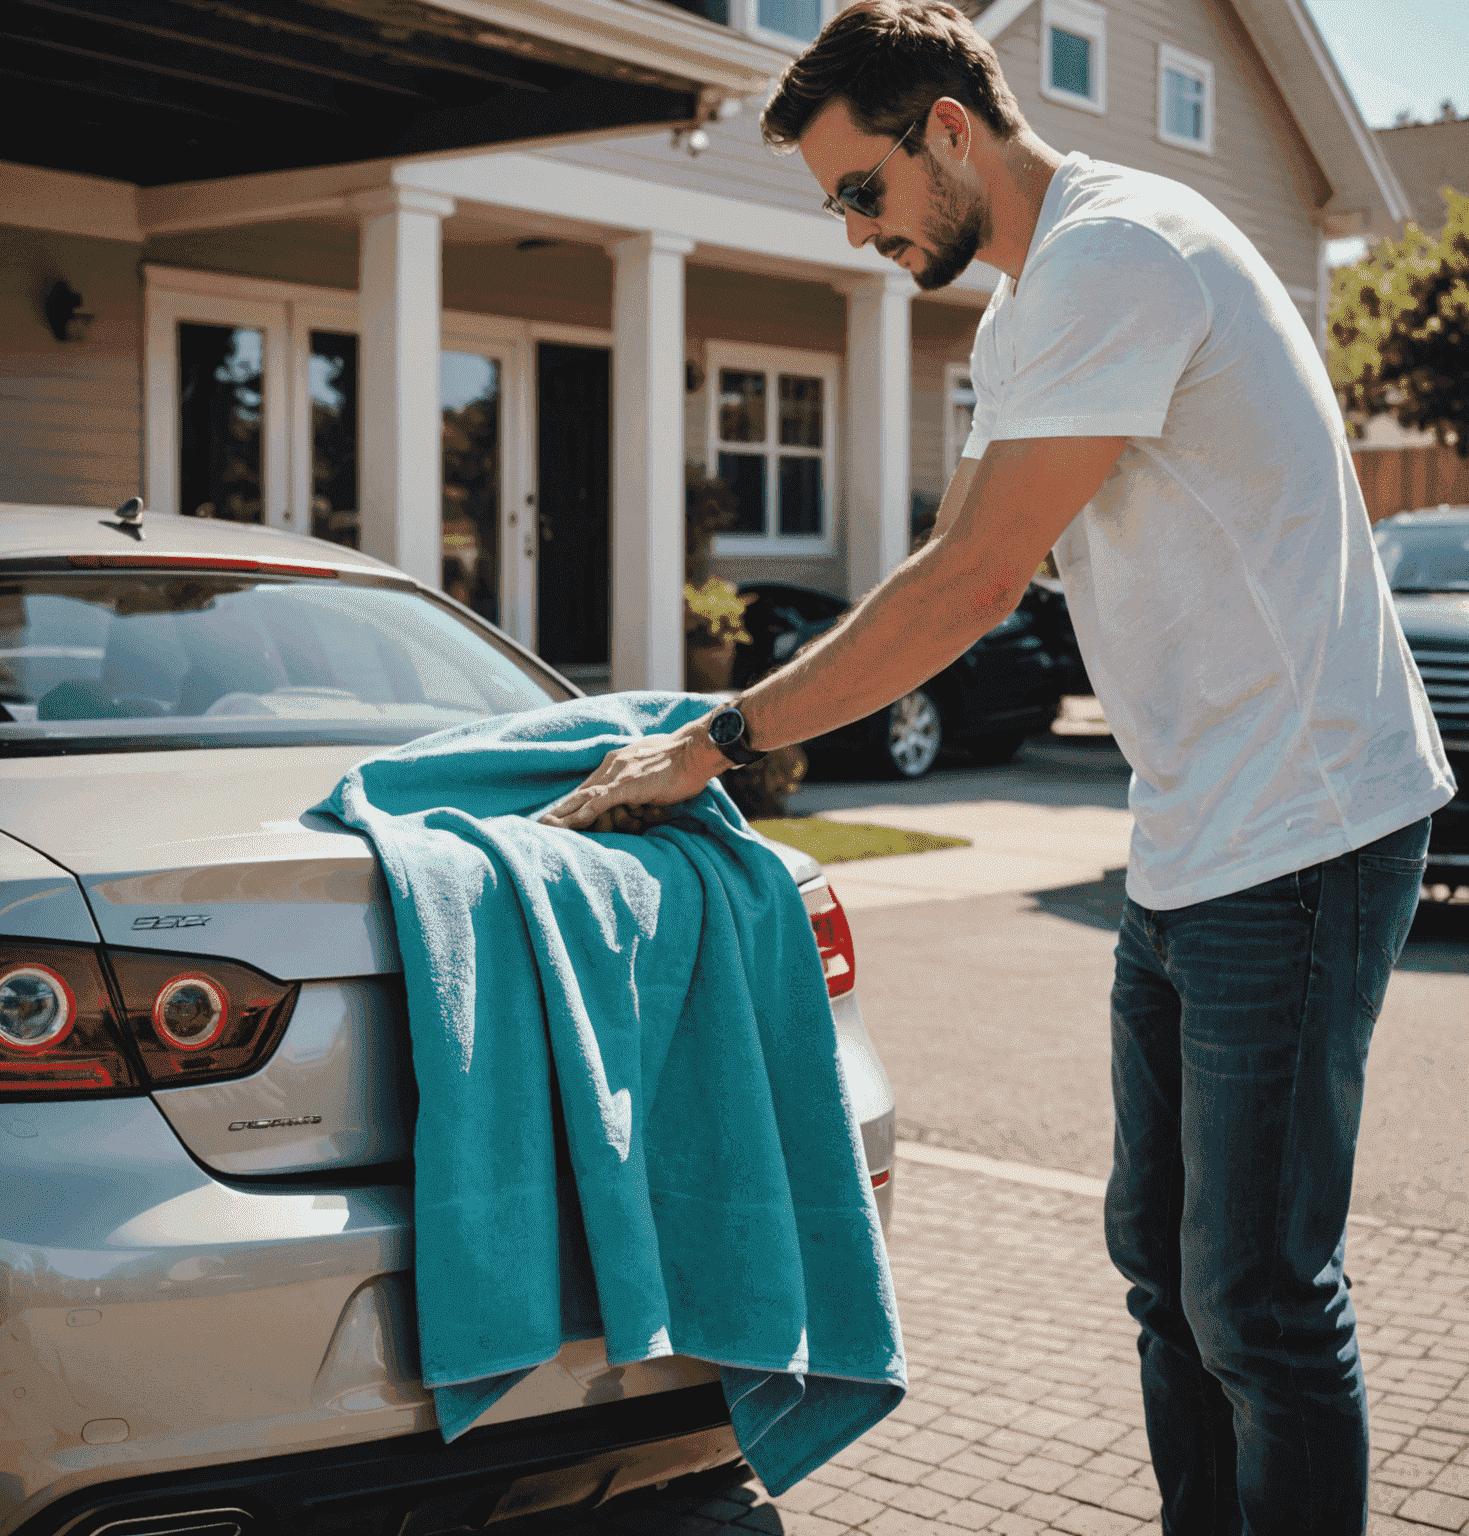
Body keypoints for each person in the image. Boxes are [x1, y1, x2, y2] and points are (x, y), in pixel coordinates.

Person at [540, 3, 1456, 1528]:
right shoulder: (1027, 314)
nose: (852, 234)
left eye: (861, 191)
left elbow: (970, 583)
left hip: (1303, 832)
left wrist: (716, 742)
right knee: (1162, 1273)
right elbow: (949, 569)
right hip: (1194, 831)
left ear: (946, 132)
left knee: (1259, 1303)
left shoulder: (1120, 254)